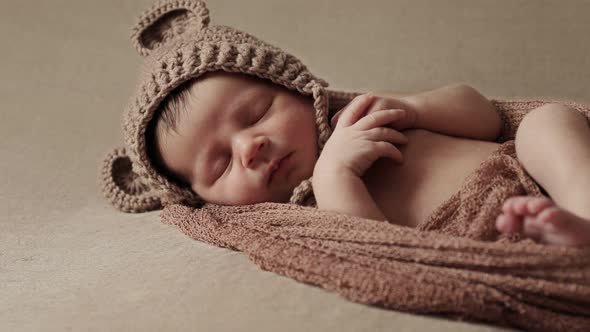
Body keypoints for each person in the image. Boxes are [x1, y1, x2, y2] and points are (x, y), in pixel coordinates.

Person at [146, 70, 590, 247]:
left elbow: (486, 118)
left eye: (258, 113)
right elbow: (376, 248)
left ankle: (581, 209)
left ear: (298, 91)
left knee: (546, 122)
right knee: (523, 225)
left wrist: (415, 109)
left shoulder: (357, 114)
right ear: (204, 198)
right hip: (479, 230)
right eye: (221, 165)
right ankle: (557, 240)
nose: (250, 146)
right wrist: (335, 173)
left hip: (535, 172)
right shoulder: (307, 212)